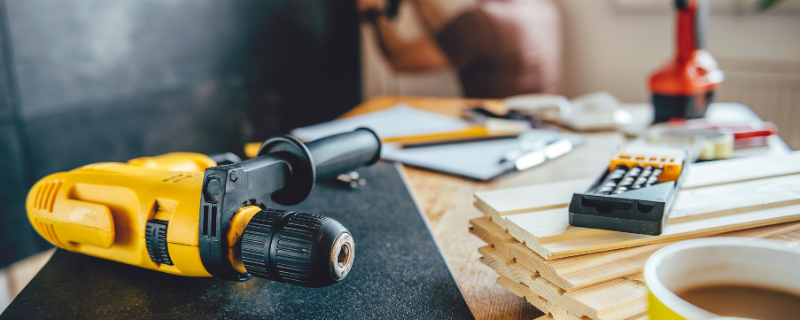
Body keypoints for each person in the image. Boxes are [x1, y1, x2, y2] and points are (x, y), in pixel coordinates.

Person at [359, 0, 562, 98]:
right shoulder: (541, 7)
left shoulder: (480, 21)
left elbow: (400, 60)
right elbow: (450, 40)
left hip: (497, 135)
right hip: (540, 133)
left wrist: (373, 12)